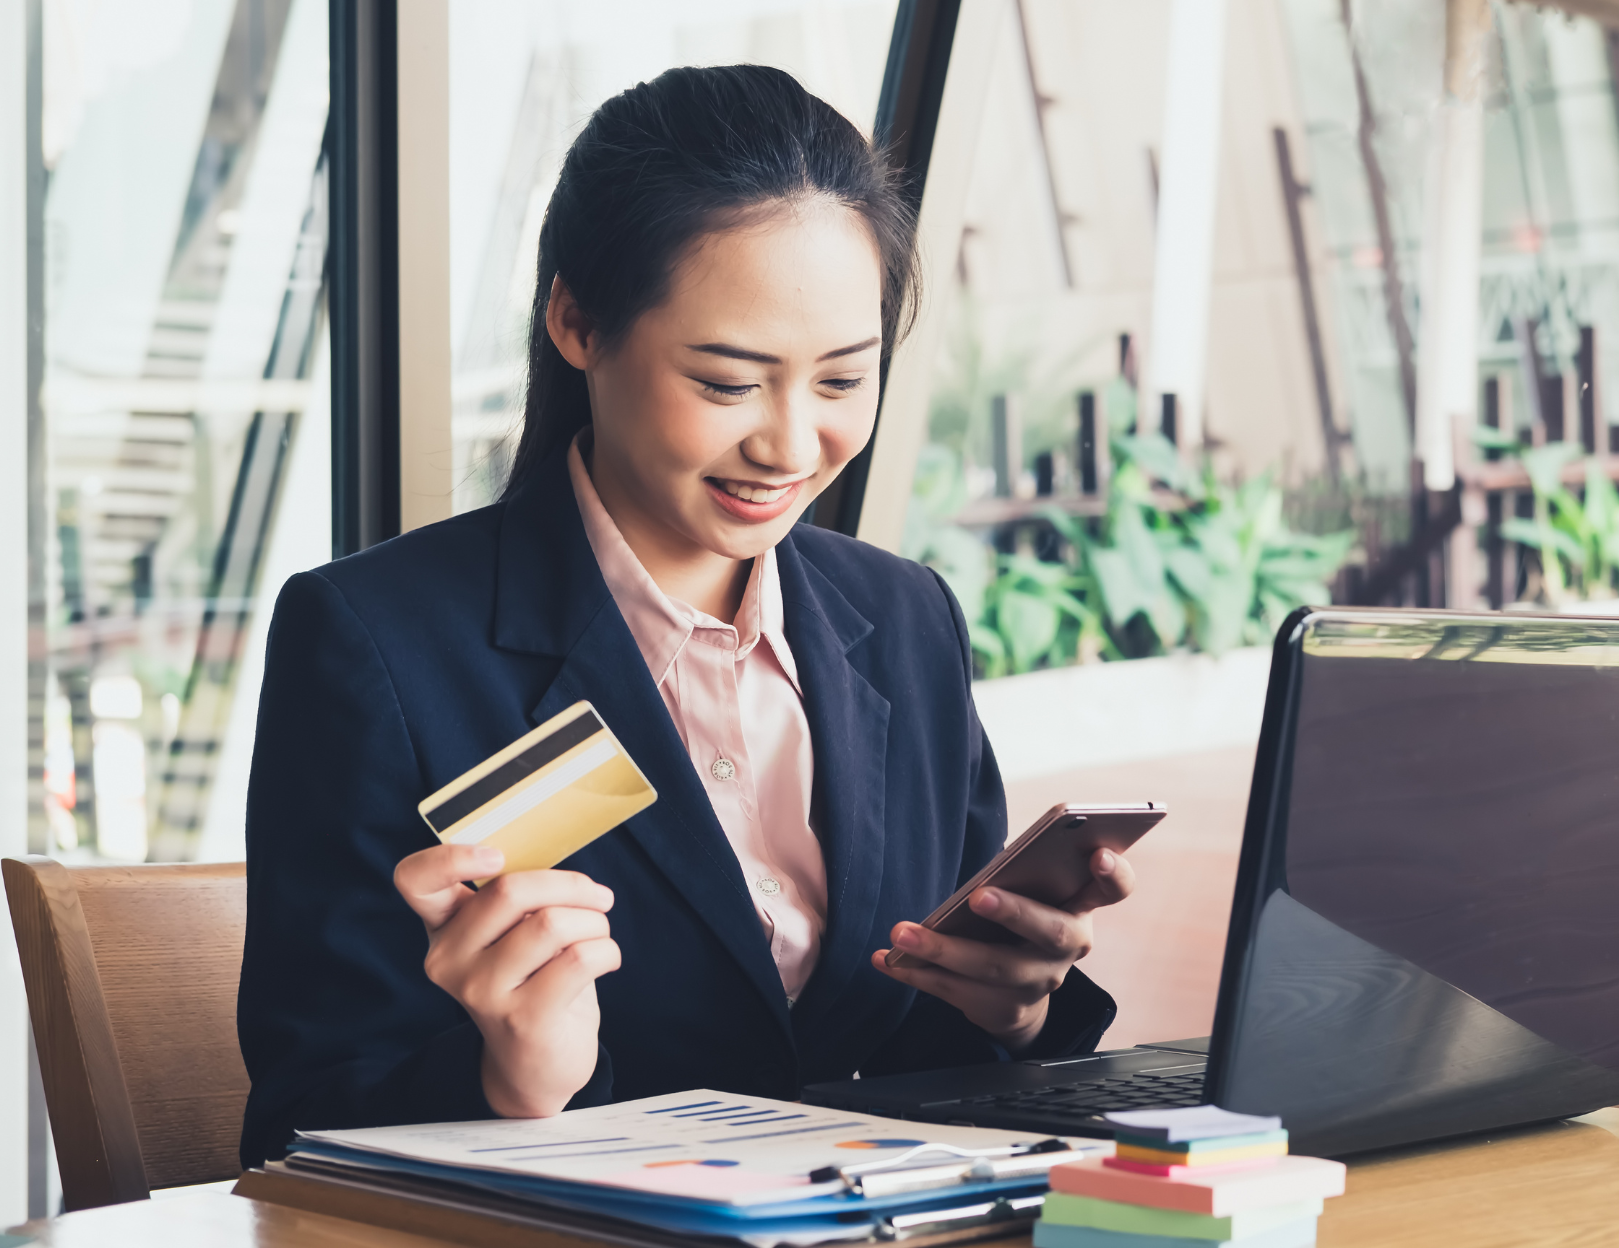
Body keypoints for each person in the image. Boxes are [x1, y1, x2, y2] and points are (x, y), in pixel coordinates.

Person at [236, 65, 1135, 1167]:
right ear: (576, 319)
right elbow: (298, 1125)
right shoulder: (376, 644)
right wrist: (507, 1080)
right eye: (726, 382)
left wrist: (1017, 1011)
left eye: (843, 381)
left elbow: (917, 1053)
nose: (791, 446)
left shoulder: (902, 619)